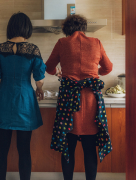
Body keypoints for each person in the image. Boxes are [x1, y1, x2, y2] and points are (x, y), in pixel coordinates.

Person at [45, 15, 113, 180]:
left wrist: (58, 73)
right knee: (90, 149)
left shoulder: (62, 43)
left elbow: (48, 67)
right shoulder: (96, 42)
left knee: (68, 148)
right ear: (84, 28)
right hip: (91, 101)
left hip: (69, 100)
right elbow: (108, 68)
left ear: (67, 29)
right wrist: (95, 74)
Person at [0, 12, 46, 180]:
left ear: (11, 27)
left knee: (2, 146)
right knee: (24, 148)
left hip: (3, 98)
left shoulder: (0, 48)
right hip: (25, 101)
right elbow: (39, 78)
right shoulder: (33, 49)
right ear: (27, 28)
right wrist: (39, 88)